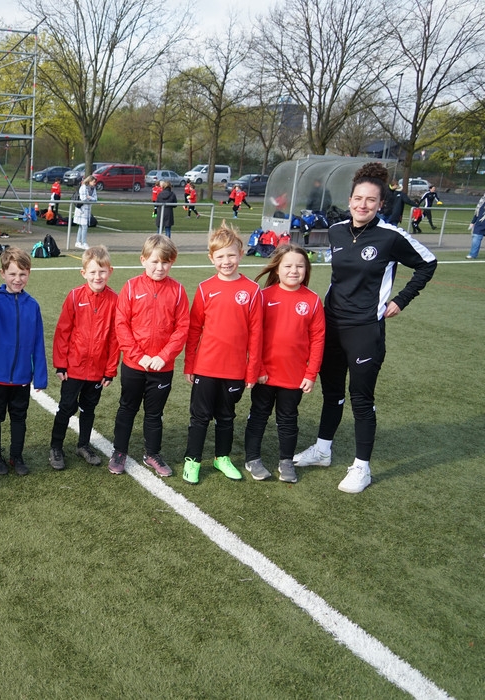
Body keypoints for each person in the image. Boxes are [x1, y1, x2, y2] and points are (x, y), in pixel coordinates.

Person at [294, 163, 437, 493]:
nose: (363, 205)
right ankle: (323, 450)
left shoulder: (390, 236)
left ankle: (362, 468)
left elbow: (428, 263)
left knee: (361, 398)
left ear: (380, 203)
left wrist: (401, 300)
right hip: (331, 325)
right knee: (332, 393)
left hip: (364, 330)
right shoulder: (336, 231)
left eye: (371, 200)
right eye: (358, 198)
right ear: (350, 199)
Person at [182, 223, 262, 485]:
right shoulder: (205, 288)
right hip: (206, 367)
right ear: (211, 258)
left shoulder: (252, 290)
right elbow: (194, 329)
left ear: (241, 254)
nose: (226, 261)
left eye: (231, 255)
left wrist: (252, 370)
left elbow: (256, 334)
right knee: (200, 416)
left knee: (226, 416)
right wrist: (189, 365)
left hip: (235, 369)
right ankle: (193, 460)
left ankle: (222, 457)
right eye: (220, 256)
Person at [243, 245, 325, 483]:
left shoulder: (312, 300)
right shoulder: (264, 296)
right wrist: (258, 368)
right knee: (258, 416)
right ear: (277, 269)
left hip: (294, 376)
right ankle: (252, 458)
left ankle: (286, 461)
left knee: (288, 419)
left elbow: (318, 339)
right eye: (288, 266)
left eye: (300, 266)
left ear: (306, 269)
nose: (294, 271)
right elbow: (253, 336)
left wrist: (311, 373)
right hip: (265, 375)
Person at [110, 235, 190, 477]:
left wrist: (164, 356)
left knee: (155, 414)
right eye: (154, 261)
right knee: (127, 408)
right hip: (134, 365)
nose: (160, 267)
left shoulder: (177, 291)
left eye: (165, 262)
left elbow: (182, 328)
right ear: (143, 260)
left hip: (162, 368)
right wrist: (138, 355)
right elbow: (121, 324)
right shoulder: (131, 287)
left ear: (172, 262)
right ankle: (119, 451)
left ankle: (152, 453)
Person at [0, 246, 48, 475]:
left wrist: (40, 376)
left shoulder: (32, 305)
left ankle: (16, 456)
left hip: (22, 376)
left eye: (22, 274)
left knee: (19, 417)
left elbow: (38, 342)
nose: (18, 279)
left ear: (29, 274)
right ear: (3, 273)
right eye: (13, 274)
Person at [48, 245, 118, 471]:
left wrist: (110, 370)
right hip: (74, 368)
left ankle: (83, 445)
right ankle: (56, 447)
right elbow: (63, 332)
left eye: (102, 271)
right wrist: (61, 364)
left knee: (89, 408)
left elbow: (115, 339)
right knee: (66, 407)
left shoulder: (115, 300)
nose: (98, 276)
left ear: (110, 271)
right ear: (84, 273)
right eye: (93, 272)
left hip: (97, 370)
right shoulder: (75, 296)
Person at [73, 175, 97, 250]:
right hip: (81, 209)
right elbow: (83, 199)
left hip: (87, 210)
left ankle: (78, 242)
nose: (94, 183)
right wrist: (89, 199)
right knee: (84, 226)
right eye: (93, 182)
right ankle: (83, 242)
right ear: (89, 181)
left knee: (82, 226)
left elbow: (95, 199)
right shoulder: (83, 187)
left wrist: (90, 197)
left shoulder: (93, 189)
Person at [468, 192, 485, 259]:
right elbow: (477, 213)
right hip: (480, 224)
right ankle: (473, 254)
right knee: (476, 237)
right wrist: (472, 222)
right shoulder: (482, 201)